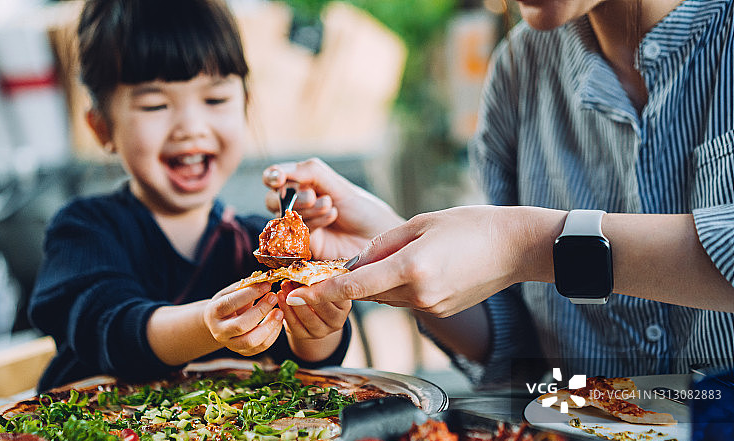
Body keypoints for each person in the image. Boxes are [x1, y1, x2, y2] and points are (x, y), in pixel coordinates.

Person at [261, 0, 734, 382]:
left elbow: (521, 250)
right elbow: (519, 346)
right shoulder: (519, 66)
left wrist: (528, 243)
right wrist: (397, 247)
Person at [28, 0, 351, 391]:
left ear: (246, 107)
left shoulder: (252, 244)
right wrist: (208, 325)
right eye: (155, 104)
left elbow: (310, 360)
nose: (191, 127)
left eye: (215, 100)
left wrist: (318, 321)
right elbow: (111, 327)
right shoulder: (83, 231)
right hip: (90, 439)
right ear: (102, 128)